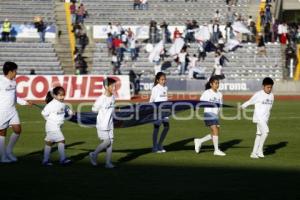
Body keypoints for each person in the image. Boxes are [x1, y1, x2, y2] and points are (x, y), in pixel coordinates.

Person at [0, 61, 31, 163]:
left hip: (12, 110)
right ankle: (3, 156)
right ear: (10, 71)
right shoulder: (0, 81)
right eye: (15, 71)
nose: (16, 73)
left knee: (18, 130)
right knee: (2, 133)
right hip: (2, 111)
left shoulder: (14, 82)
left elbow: (15, 97)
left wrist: (25, 103)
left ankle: (9, 151)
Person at [241, 77, 274, 159]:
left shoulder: (272, 96)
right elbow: (250, 101)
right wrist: (243, 106)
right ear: (263, 86)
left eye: (271, 87)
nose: (269, 89)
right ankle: (260, 150)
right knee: (266, 132)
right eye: (268, 87)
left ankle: (253, 153)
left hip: (265, 119)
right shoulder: (258, 94)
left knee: (259, 135)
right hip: (259, 118)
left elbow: (268, 109)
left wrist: (267, 118)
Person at [41, 87, 73, 166]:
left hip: (56, 126)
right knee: (62, 140)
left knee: (49, 143)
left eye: (63, 95)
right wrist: (50, 120)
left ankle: (45, 161)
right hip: (52, 126)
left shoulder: (62, 103)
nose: (62, 97)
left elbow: (66, 108)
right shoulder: (51, 104)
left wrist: (70, 112)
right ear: (55, 96)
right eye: (60, 95)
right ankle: (62, 159)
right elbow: (43, 113)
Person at [194, 76, 226, 156]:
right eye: (215, 83)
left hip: (215, 115)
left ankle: (199, 141)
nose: (217, 85)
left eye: (218, 83)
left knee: (215, 132)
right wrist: (196, 107)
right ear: (211, 84)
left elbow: (220, 106)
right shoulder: (207, 92)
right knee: (215, 131)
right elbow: (200, 102)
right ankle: (216, 150)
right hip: (208, 113)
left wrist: (218, 115)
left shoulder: (220, 94)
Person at [89, 78, 116, 169]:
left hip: (110, 123)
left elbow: (112, 109)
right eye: (112, 86)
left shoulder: (113, 96)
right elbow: (93, 109)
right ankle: (94, 154)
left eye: (114, 85)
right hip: (102, 124)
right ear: (106, 87)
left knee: (110, 143)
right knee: (107, 141)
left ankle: (108, 163)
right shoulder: (101, 99)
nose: (114, 87)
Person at [149, 72, 169, 153]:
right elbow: (151, 100)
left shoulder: (166, 88)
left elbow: (166, 99)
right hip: (157, 111)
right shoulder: (155, 88)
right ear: (157, 80)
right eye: (162, 79)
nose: (164, 81)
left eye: (164, 79)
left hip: (165, 111)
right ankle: (154, 147)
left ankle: (160, 145)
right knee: (156, 128)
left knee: (167, 127)